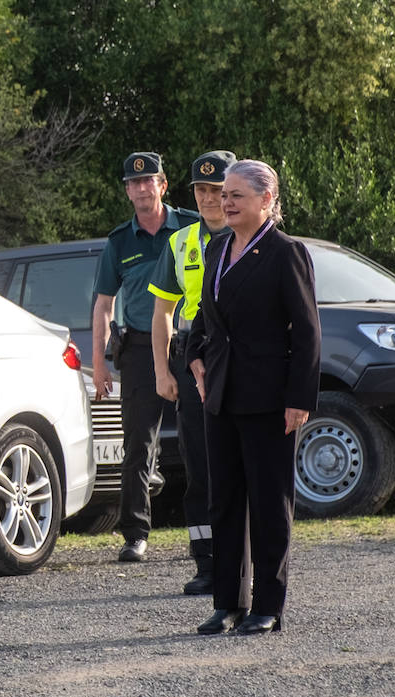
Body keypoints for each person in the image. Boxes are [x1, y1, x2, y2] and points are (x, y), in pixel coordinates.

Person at [186, 159, 320, 635]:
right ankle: (227, 603)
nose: (226, 203)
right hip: (220, 393)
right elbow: (205, 315)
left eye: (236, 196)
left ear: (266, 200)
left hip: (269, 398)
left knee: (268, 504)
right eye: (224, 195)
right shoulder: (220, 246)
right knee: (224, 501)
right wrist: (195, 356)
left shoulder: (286, 253)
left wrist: (299, 398)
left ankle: (268, 605)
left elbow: (306, 332)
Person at [91, 152, 198, 563]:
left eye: (148, 181)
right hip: (136, 348)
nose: (140, 188)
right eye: (133, 183)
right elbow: (103, 304)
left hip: (190, 345)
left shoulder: (190, 225)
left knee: (199, 442)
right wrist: (100, 362)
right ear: (127, 190)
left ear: (163, 185)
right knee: (138, 444)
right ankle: (135, 534)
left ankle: (202, 533)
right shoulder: (120, 241)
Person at [148, 150, 236, 595]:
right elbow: (162, 312)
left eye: (216, 190)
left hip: (236, 360)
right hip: (191, 360)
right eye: (201, 190)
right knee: (199, 466)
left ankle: (241, 561)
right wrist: (163, 371)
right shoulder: (180, 242)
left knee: (236, 465)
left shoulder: (252, 239)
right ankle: (206, 564)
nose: (208, 198)